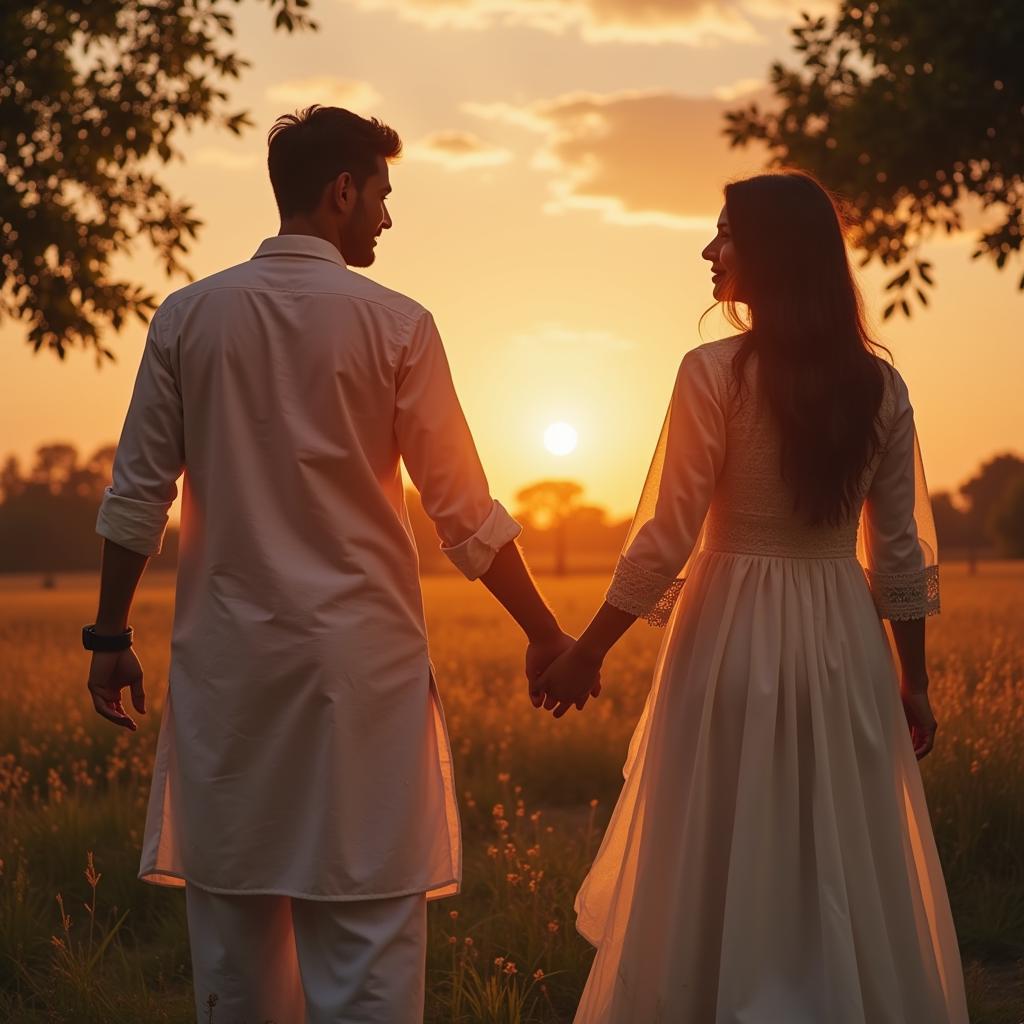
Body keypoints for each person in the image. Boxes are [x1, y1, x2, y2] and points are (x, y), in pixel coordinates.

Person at [82, 105, 596, 1023]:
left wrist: (109, 634)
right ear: (343, 191)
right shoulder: (397, 325)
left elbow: (136, 498)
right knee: (367, 959)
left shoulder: (188, 318)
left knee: (236, 974)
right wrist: (546, 632)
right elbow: (464, 514)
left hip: (231, 682)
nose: (388, 219)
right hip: (363, 686)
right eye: (384, 196)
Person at [533, 170, 969, 1023]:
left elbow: (669, 534)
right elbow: (898, 553)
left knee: (718, 845)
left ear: (769, 252)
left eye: (724, 233)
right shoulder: (882, 387)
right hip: (843, 637)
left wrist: (589, 649)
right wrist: (910, 680)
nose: (709, 248)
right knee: (831, 850)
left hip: (725, 633)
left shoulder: (713, 373)